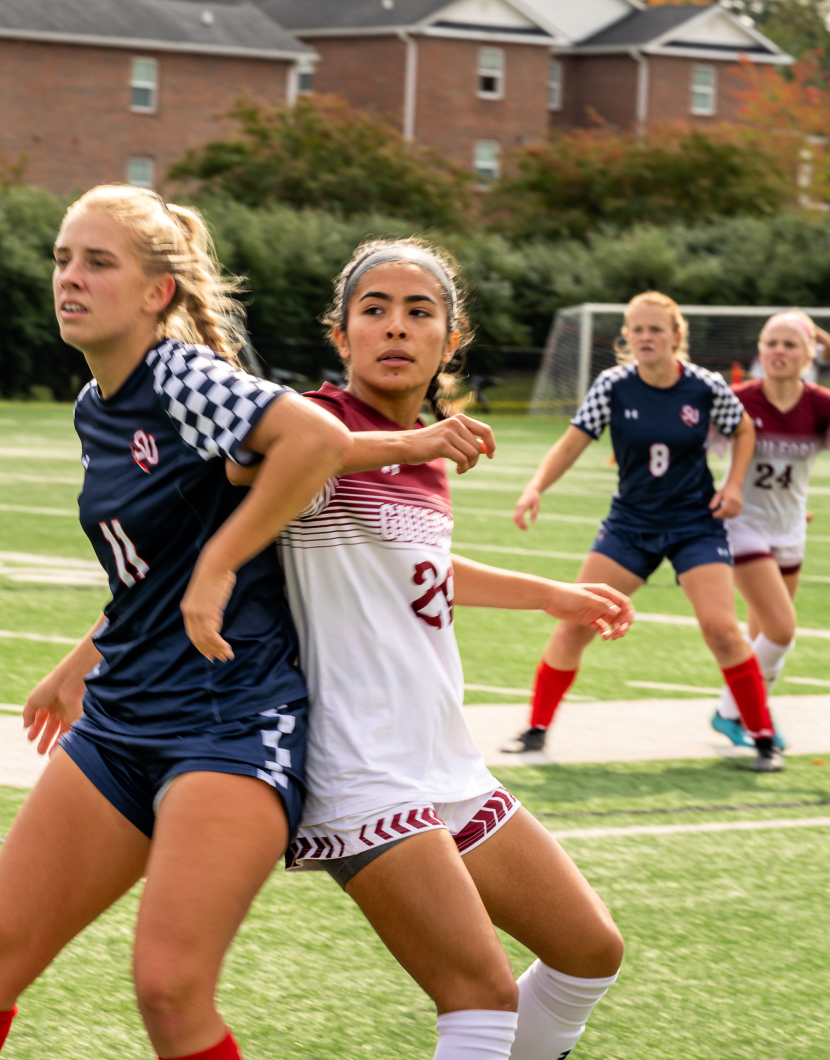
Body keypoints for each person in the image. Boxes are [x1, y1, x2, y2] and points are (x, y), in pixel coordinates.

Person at [0, 185, 350, 1060]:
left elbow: (318, 440)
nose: (70, 278)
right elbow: (158, 561)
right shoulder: (96, 405)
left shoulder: (177, 375)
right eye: (64, 258)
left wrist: (220, 568)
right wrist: (80, 660)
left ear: (156, 293)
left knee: (170, 991)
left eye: (98, 262)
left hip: (229, 725)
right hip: (120, 720)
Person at [231, 239, 629, 1060]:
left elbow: (420, 568)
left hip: (440, 757)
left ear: (453, 340)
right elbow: (244, 469)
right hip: (356, 767)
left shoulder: (425, 452)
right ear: (339, 337)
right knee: (478, 998)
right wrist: (413, 444)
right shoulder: (315, 424)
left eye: (420, 312)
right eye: (372, 310)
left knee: (590, 952)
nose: (395, 327)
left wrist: (551, 594)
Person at [509, 291, 784, 772]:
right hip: (630, 525)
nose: (645, 337)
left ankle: (762, 736)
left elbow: (743, 430)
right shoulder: (613, 385)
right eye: (636, 329)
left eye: (656, 329)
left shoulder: (705, 386)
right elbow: (572, 443)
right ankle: (535, 729)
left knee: (721, 629)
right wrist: (535, 487)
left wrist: (734, 485)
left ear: (677, 337)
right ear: (626, 337)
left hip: (694, 525)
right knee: (577, 622)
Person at [711, 312, 830, 746]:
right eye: (771, 343)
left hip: (790, 527)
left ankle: (742, 714)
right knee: (782, 630)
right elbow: (692, 450)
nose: (779, 351)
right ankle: (735, 712)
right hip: (743, 525)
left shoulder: (823, 403)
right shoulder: (734, 399)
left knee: (765, 634)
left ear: (808, 354)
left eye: (790, 344)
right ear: (760, 351)